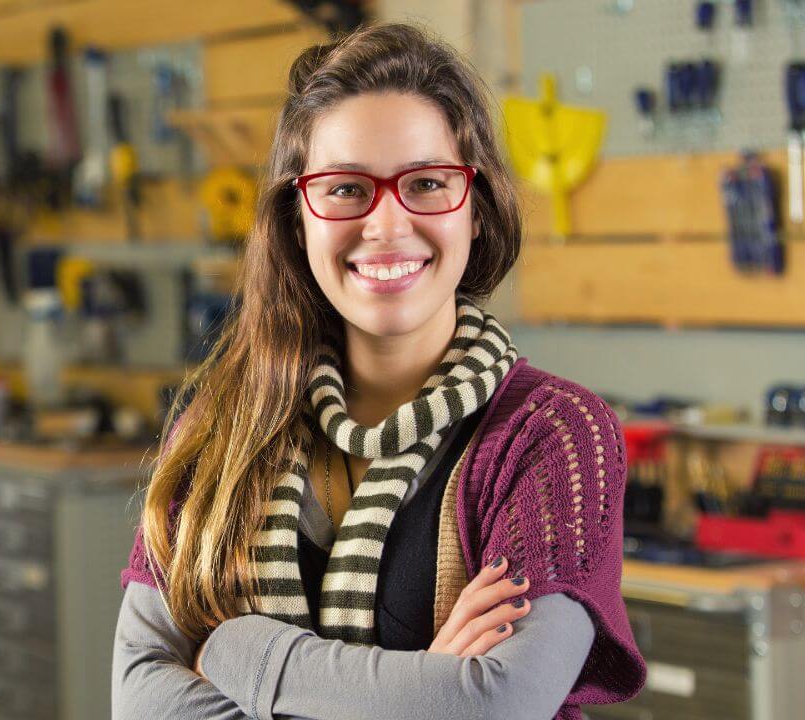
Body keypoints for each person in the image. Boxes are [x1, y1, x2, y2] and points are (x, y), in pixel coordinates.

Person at [112, 21, 646, 720]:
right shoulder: (219, 431)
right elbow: (140, 702)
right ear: (298, 217)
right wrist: (423, 688)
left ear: (476, 210)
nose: (387, 225)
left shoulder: (552, 437)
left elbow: (496, 705)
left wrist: (241, 652)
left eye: (427, 183)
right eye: (344, 189)